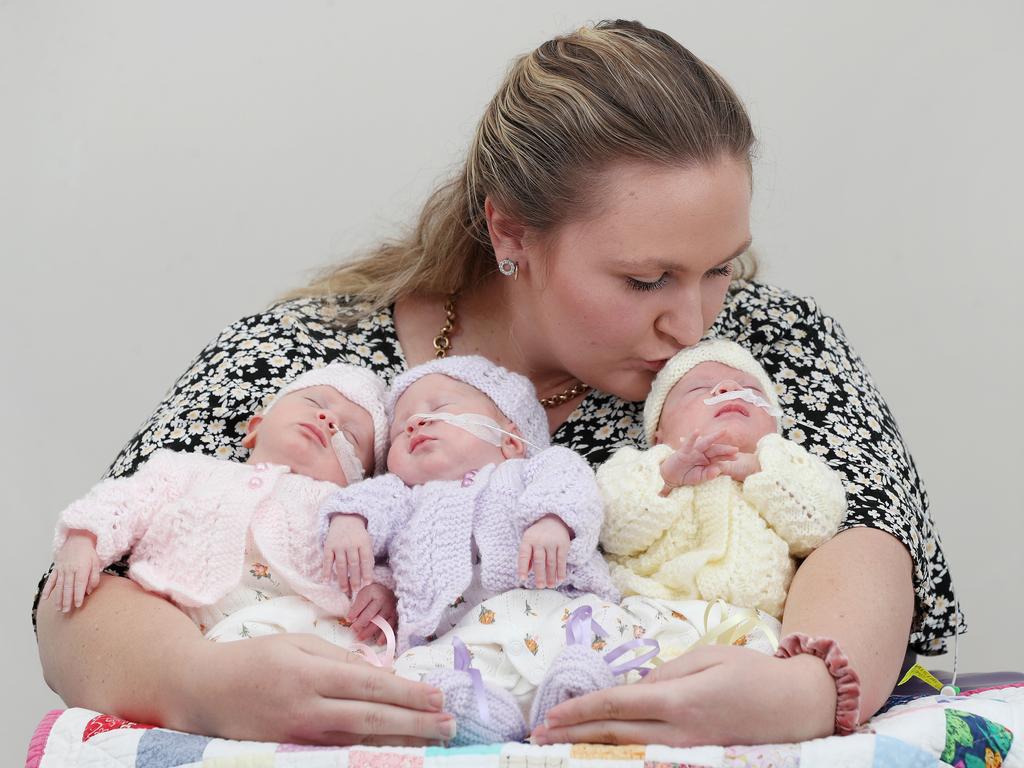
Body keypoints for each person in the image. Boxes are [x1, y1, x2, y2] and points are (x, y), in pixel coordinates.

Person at [34, 19, 958, 747]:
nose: (697, 319)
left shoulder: (765, 344)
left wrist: (804, 690)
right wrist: (200, 684)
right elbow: (79, 598)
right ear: (510, 233)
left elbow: (871, 537)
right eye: (646, 280)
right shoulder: (308, 362)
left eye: (722, 265)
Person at [322, 354, 621, 744]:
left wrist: (553, 520)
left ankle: (574, 700)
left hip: (555, 607)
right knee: (421, 679)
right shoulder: (405, 496)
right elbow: (368, 509)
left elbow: (571, 483)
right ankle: (479, 719)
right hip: (461, 640)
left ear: (511, 441)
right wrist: (351, 528)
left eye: (440, 409)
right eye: (400, 430)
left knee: (595, 639)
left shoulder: (532, 470)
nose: (415, 423)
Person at [42, 363, 399, 646]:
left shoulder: (344, 509)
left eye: (350, 435)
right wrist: (84, 539)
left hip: (306, 634)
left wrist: (382, 591)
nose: (329, 420)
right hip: (188, 634)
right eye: (314, 403)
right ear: (255, 428)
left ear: (358, 481)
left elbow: (379, 560)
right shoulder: (187, 471)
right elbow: (125, 499)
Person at [597, 339, 847, 619]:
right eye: (699, 389)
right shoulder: (639, 467)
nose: (730, 390)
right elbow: (612, 533)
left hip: (750, 625)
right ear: (660, 433)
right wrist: (667, 476)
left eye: (751, 390)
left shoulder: (790, 465)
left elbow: (817, 528)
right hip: (649, 611)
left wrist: (759, 469)